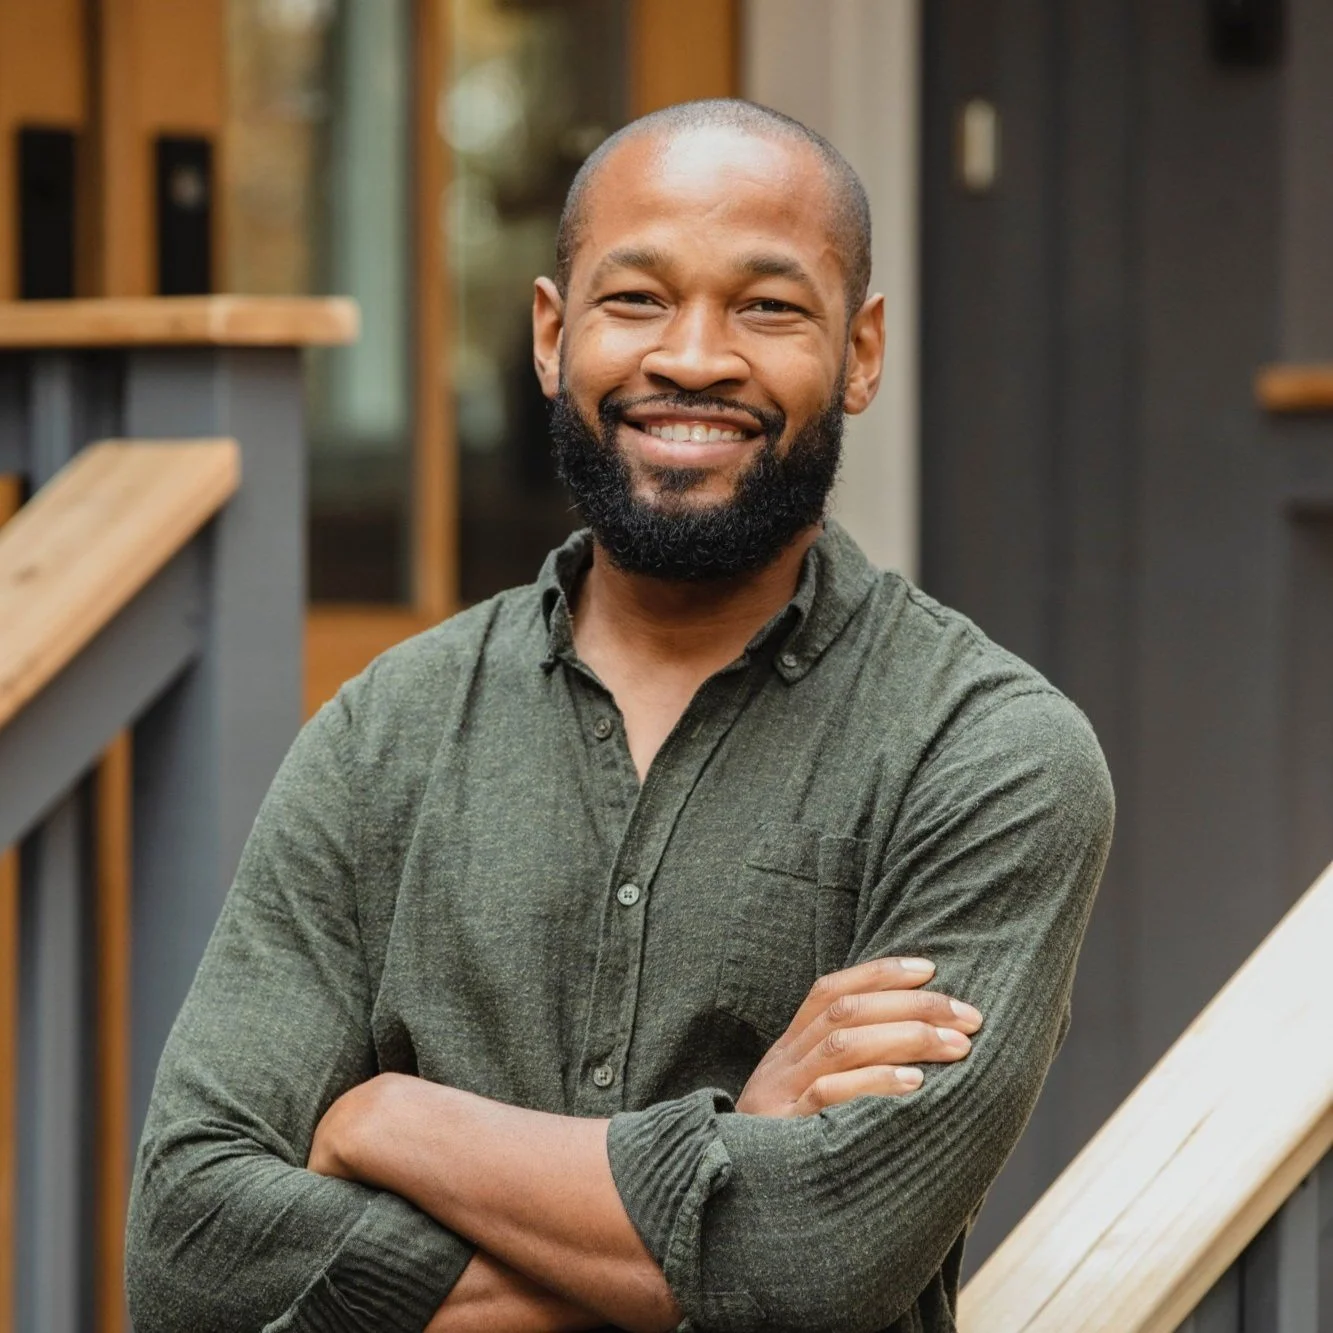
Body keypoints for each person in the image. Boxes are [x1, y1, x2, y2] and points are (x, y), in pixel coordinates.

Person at [125, 99, 1113, 1333]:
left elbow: (813, 1268)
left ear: (859, 352)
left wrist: (390, 1121)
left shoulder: (988, 757)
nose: (692, 357)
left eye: (768, 306)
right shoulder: (385, 734)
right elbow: (188, 1248)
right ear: (553, 335)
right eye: (636, 299)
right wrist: (715, 1185)